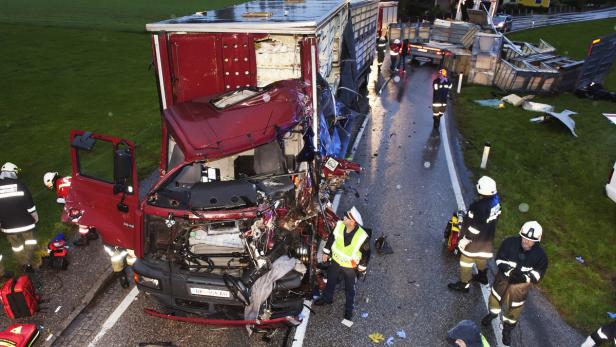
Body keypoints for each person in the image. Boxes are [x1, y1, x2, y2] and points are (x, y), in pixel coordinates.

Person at [481, 221, 548, 346]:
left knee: (514, 310)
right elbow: (499, 258)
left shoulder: (541, 256)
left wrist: (525, 278)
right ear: (521, 234)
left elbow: (538, 274)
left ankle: (507, 330)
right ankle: (492, 314)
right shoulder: (509, 243)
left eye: (530, 240)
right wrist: (505, 268)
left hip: (520, 287)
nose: (526, 242)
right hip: (503, 279)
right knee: (494, 299)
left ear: (537, 241)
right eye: (525, 238)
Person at [314, 206, 370, 321]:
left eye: (346, 217)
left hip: (350, 267)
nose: (343, 217)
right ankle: (327, 298)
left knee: (350, 289)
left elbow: (366, 253)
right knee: (330, 281)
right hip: (335, 262)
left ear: (352, 222)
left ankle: (349, 311)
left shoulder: (362, 236)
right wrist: (326, 252)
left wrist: (362, 267)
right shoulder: (339, 225)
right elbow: (331, 239)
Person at [448, 176, 501, 293]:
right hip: (487, 239)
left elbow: (475, 227)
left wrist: (466, 239)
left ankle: (464, 284)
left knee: (465, 262)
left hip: (474, 241)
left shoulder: (478, 207)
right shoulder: (496, 201)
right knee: (481, 257)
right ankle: (482, 276)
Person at [0, 162, 38, 274]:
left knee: (17, 247)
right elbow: (29, 202)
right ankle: (28, 263)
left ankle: (22, 263)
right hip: (26, 223)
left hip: (8, 226)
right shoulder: (19, 184)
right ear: (12, 172)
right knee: (30, 242)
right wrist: (34, 215)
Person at [43, 171, 98, 246]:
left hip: (83, 199)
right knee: (87, 215)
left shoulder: (61, 186)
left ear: (51, 180)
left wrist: (68, 206)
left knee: (78, 217)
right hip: (88, 195)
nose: (50, 187)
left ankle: (84, 238)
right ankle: (92, 232)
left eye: (49, 185)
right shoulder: (64, 179)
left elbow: (70, 200)